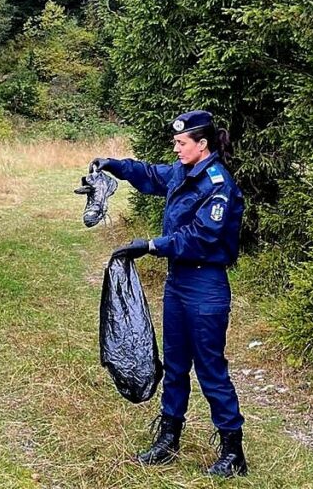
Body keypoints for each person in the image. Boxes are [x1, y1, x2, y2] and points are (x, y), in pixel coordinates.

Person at [95, 110, 247, 478]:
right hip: (178, 284)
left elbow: (199, 237)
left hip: (206, 286)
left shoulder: (217, 184)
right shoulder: (184, 171)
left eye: (181, 143)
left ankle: (232, 451)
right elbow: (150, 175)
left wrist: (150, 245)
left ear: (202, 145)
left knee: (210, 369)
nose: (176, 148)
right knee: (175, 365)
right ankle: (168, 437)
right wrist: (114, 165)